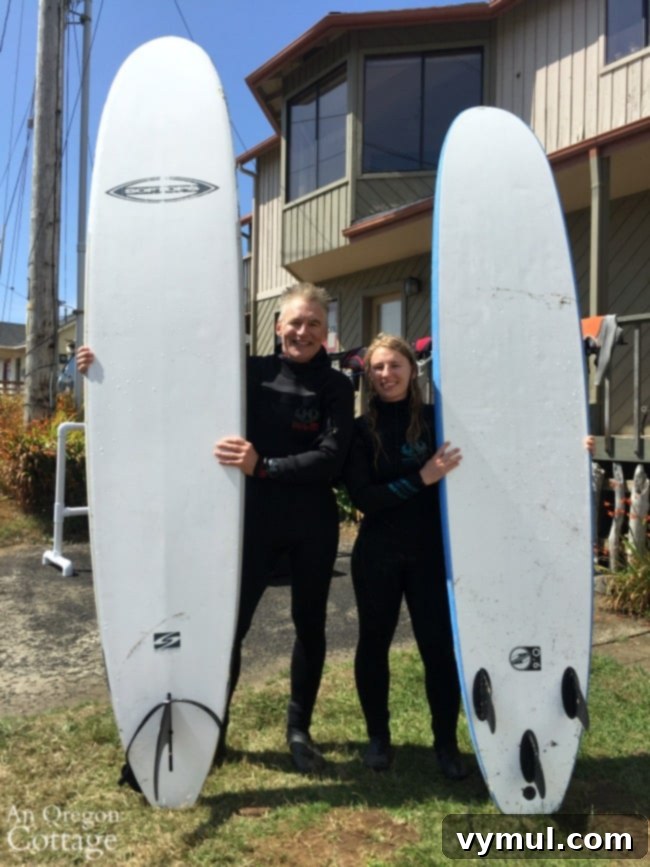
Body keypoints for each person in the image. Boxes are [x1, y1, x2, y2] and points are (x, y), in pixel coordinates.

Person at [214, 283, 354, 773]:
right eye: (295, 321)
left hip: (312, 524)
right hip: (253, 522)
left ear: (326, 333)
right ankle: (215, 730)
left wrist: (264, 466)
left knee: (310, 627)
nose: (303, 331)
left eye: (314, 323)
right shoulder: (250, 372)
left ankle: (299, 730)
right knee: (231, 629)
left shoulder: (337, 386)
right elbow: (181, 380)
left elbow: (332, 459)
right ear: (277, 326)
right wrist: (100, 365)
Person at [342, 333, 467, 779]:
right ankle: (379, 738)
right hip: (377, 554)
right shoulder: (361, 430)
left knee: (438, 649)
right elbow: (364, 497)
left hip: (429, 554)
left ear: (412, 370)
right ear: (368, 375)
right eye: (377, 367)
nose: (386, 375)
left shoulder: (437, 421)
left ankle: (446, 744)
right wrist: (423, 477)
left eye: (395, 365)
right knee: (373, 644)